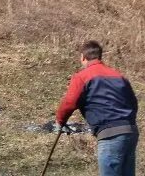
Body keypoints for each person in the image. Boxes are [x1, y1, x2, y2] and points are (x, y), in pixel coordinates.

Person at [55, 40, 138, 176]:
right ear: (100, 56)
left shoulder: (82, 77)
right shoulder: (119, 76)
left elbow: (69, 102)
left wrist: (60, 121)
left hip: (110, 135)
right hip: (131, 132)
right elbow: (133, 103)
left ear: (83, 57)